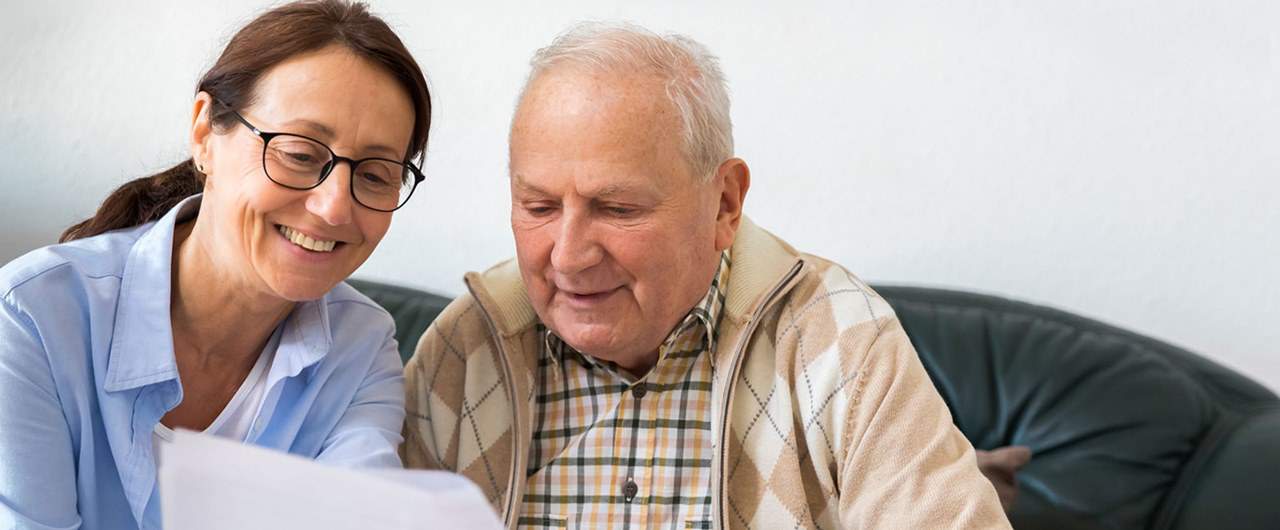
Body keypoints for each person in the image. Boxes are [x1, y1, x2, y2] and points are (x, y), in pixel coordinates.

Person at [402, 22, 1012, 529]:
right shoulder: (464, 351)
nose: (568, 256)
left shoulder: (843, 344)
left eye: (617, 209)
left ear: (724, 203)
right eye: (538, 207)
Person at [0, 1, 432, 528]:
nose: (334, 207)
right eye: (300, 154)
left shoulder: (360, 348)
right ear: (205, 133)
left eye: (375, 174)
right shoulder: (30, 318)